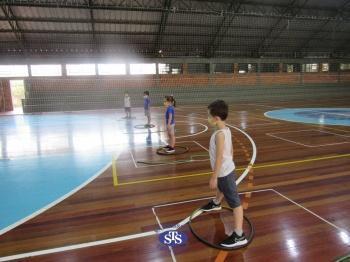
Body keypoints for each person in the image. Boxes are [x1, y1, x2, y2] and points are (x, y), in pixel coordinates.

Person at [201, 100, 247, 248]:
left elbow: (220, 157)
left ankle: (239, 235)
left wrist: (214, 177)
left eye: (209, 116)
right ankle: (216, 203)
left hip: (224, 172)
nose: (207, 118)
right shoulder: (226, 130)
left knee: (235, 203)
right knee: (222, 188)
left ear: (216, 118)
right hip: (227, 169)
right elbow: (231, 151)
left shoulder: (219, 135)